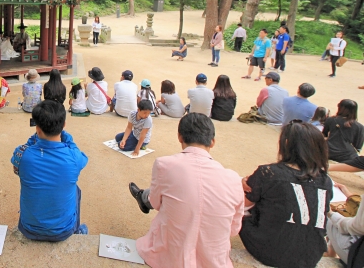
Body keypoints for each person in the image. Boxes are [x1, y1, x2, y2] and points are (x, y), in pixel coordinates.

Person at [129, 113, 243, 267]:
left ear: (179, 137)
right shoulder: (234, 179)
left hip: (169, 257)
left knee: (159, 195)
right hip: (215, 262)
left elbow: (155, 203)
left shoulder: (164, 164)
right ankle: (143, 196)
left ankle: (142, 196)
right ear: (212, 142)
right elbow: (234, 229)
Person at [240, 122, 332, 268]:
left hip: (270, 252)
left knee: (242, 208)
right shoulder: (325, 180)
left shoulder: (269, 172)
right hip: (311, 256)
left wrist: (240, 185)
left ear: (286, 143)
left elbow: (243, 204)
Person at [11, 100, 89, 241]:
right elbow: (82, 156)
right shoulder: (74, 157)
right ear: (63, 125)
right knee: (75, 189)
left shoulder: (21, 155)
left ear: (37, 128)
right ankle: (76, 230)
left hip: (28, 228)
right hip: (63, 231)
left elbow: (20, 159)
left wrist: (34, 139)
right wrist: (68, 139)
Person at [325, 182, 364, 265]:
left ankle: (330, 251)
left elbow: (357, 227)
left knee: (330, 220)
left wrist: (332, 215)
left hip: (358, 258)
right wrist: (352, 198)